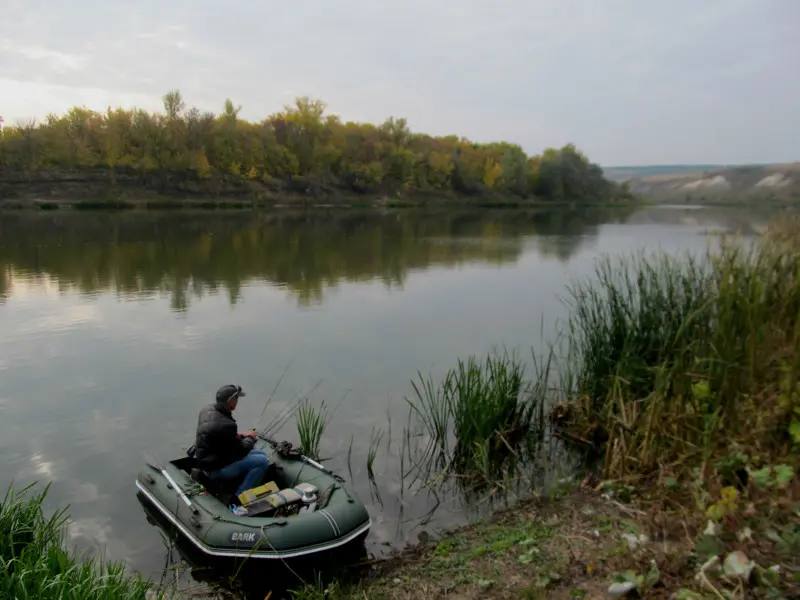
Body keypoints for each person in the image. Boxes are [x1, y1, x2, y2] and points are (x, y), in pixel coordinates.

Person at [194, 384, 270, 499]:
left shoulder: (207, 410)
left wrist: (241, 435)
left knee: (261, 454)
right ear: (230, 401)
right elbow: (240, 451)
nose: (237, 402)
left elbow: (220, 436)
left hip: (207, 461)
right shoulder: (227, 425)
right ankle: (239, 497)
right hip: (215, 470)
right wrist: (251, 438)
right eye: (236, 399)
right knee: (262, 461)